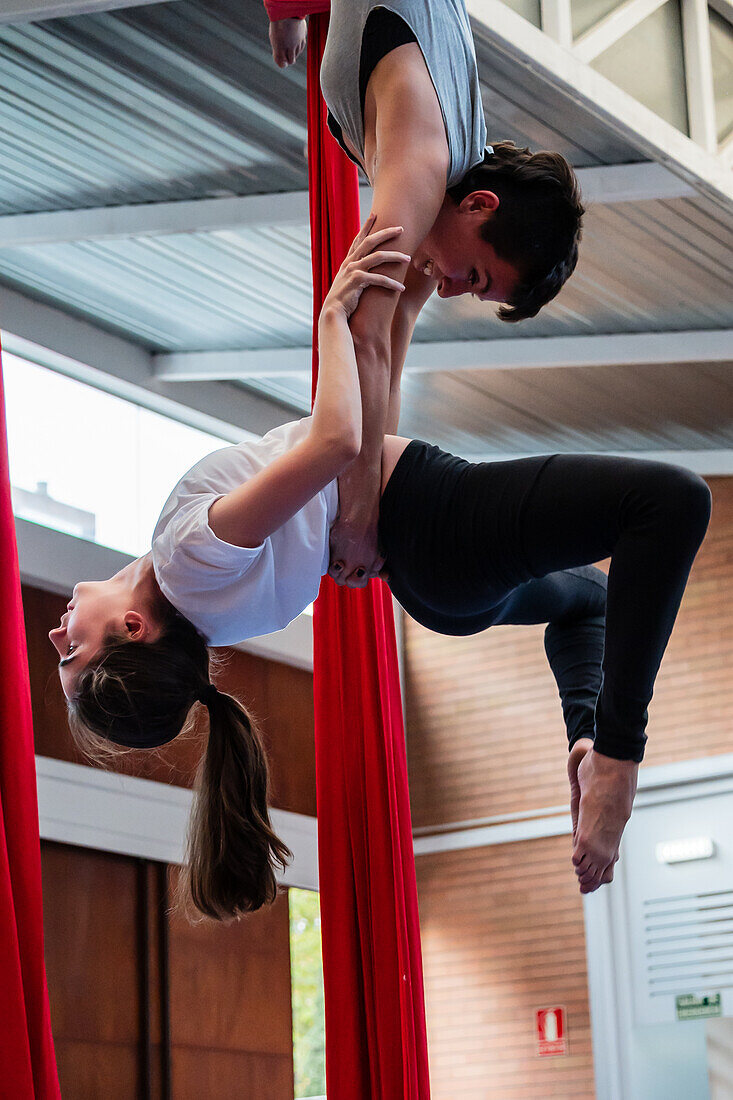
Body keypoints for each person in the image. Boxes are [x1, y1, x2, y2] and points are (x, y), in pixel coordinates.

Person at [50, 221, 711, 921]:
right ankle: (614, 758)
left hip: (434, 581)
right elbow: (336, 440)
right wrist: (335, 319)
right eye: (74, 655)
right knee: (668, 501)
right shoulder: (187, 558)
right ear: (132, 626)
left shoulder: (220, 611)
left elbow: (363, 453)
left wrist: (409, 304)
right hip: (437, 521)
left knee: (591, 602)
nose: (57, 637)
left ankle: (583, 733)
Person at [267, 0, 585, 589]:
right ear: (480, 206)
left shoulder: (447, 198)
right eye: (476, 277)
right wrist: (358, 516)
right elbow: (362, 333)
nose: (451, 288)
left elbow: (392, 336)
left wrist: (380, 497)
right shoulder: (424, 166)